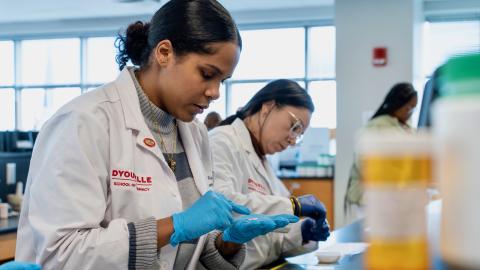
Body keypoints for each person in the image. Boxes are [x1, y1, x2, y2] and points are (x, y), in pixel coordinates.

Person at [15, 1, 299, 269]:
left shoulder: (195, 134)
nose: (215, 92)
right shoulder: (84, 122)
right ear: (164, 53)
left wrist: (225, 244)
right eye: (206, 74)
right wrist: (175, 225)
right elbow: (61, 254)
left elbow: (181, 255)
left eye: (222, 80)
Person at [209, 79, 331, 269]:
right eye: (294, 126)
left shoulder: (263, 160)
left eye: (299, 134)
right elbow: (223, 207)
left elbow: (273, 239)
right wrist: (293, 205)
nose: (293, 140)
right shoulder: (221, 141)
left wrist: (303, 232)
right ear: (267, 108)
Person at [344, 82, 418, 220]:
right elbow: (366, 165)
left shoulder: (407, 128)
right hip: (371, 198)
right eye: (408, 107)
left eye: (413, 108)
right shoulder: (377, 126)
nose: (410, 112)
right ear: (397, 103)